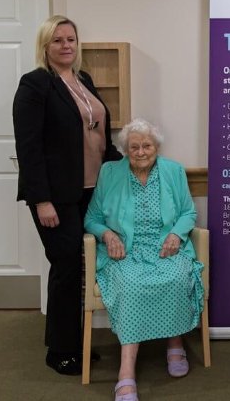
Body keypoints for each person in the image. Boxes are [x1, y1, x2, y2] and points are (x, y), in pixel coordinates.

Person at [12, 15, 123, 376]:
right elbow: (29, 148)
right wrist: (41, 200)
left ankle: (75, 343)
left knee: (83, 266)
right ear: (45, 45)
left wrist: (133, 164)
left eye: (71, 39)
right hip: (55, 196)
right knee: (66, 267)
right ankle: (60, 350)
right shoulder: (35, 85)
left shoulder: (83, 80)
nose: (66, 45)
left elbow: (99, 138)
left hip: (90, 191)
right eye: (57, 40)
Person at [84, 118, 204, 401]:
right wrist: (107, 236)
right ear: (125, 149)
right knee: (129, 284)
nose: (140, 152)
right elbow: (92, 218)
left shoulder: (173, 171)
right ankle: (126, 371)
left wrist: (176, 235)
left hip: (166, 248)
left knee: (177, 276)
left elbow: (188, 212)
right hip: (124, 251)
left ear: (156, 147)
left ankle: (175, 343)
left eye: (146, 145)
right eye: (134, 146)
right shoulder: (110, 172)